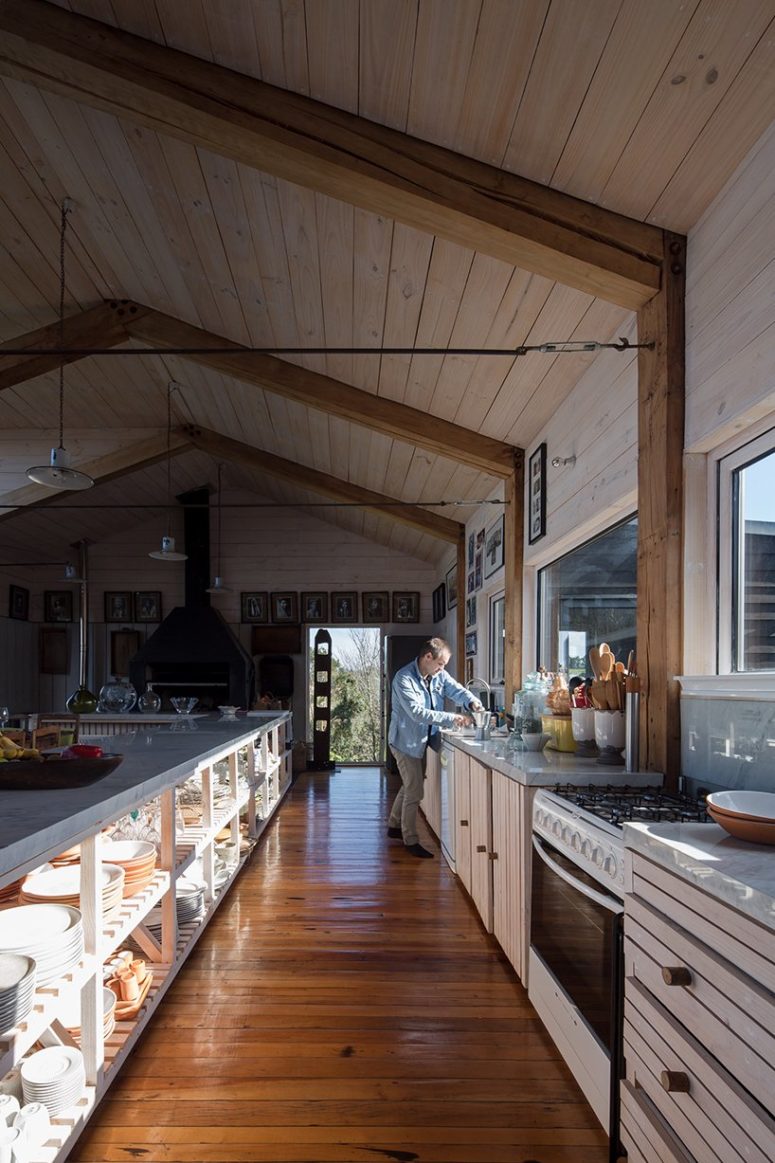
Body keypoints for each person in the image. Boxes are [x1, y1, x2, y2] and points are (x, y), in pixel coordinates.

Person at [387, 637, 483, 858]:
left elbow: (456, 689)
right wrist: (455, 718)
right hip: (405, 741)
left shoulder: (438, 674)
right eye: (440, 664)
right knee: (415, 790)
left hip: (424, 740)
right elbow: (417, 713)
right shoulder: (404, 678)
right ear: (427, 657)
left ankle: (394, 824)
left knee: (412, 783)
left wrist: (471, 701)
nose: (442, 669)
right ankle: (410, 839)